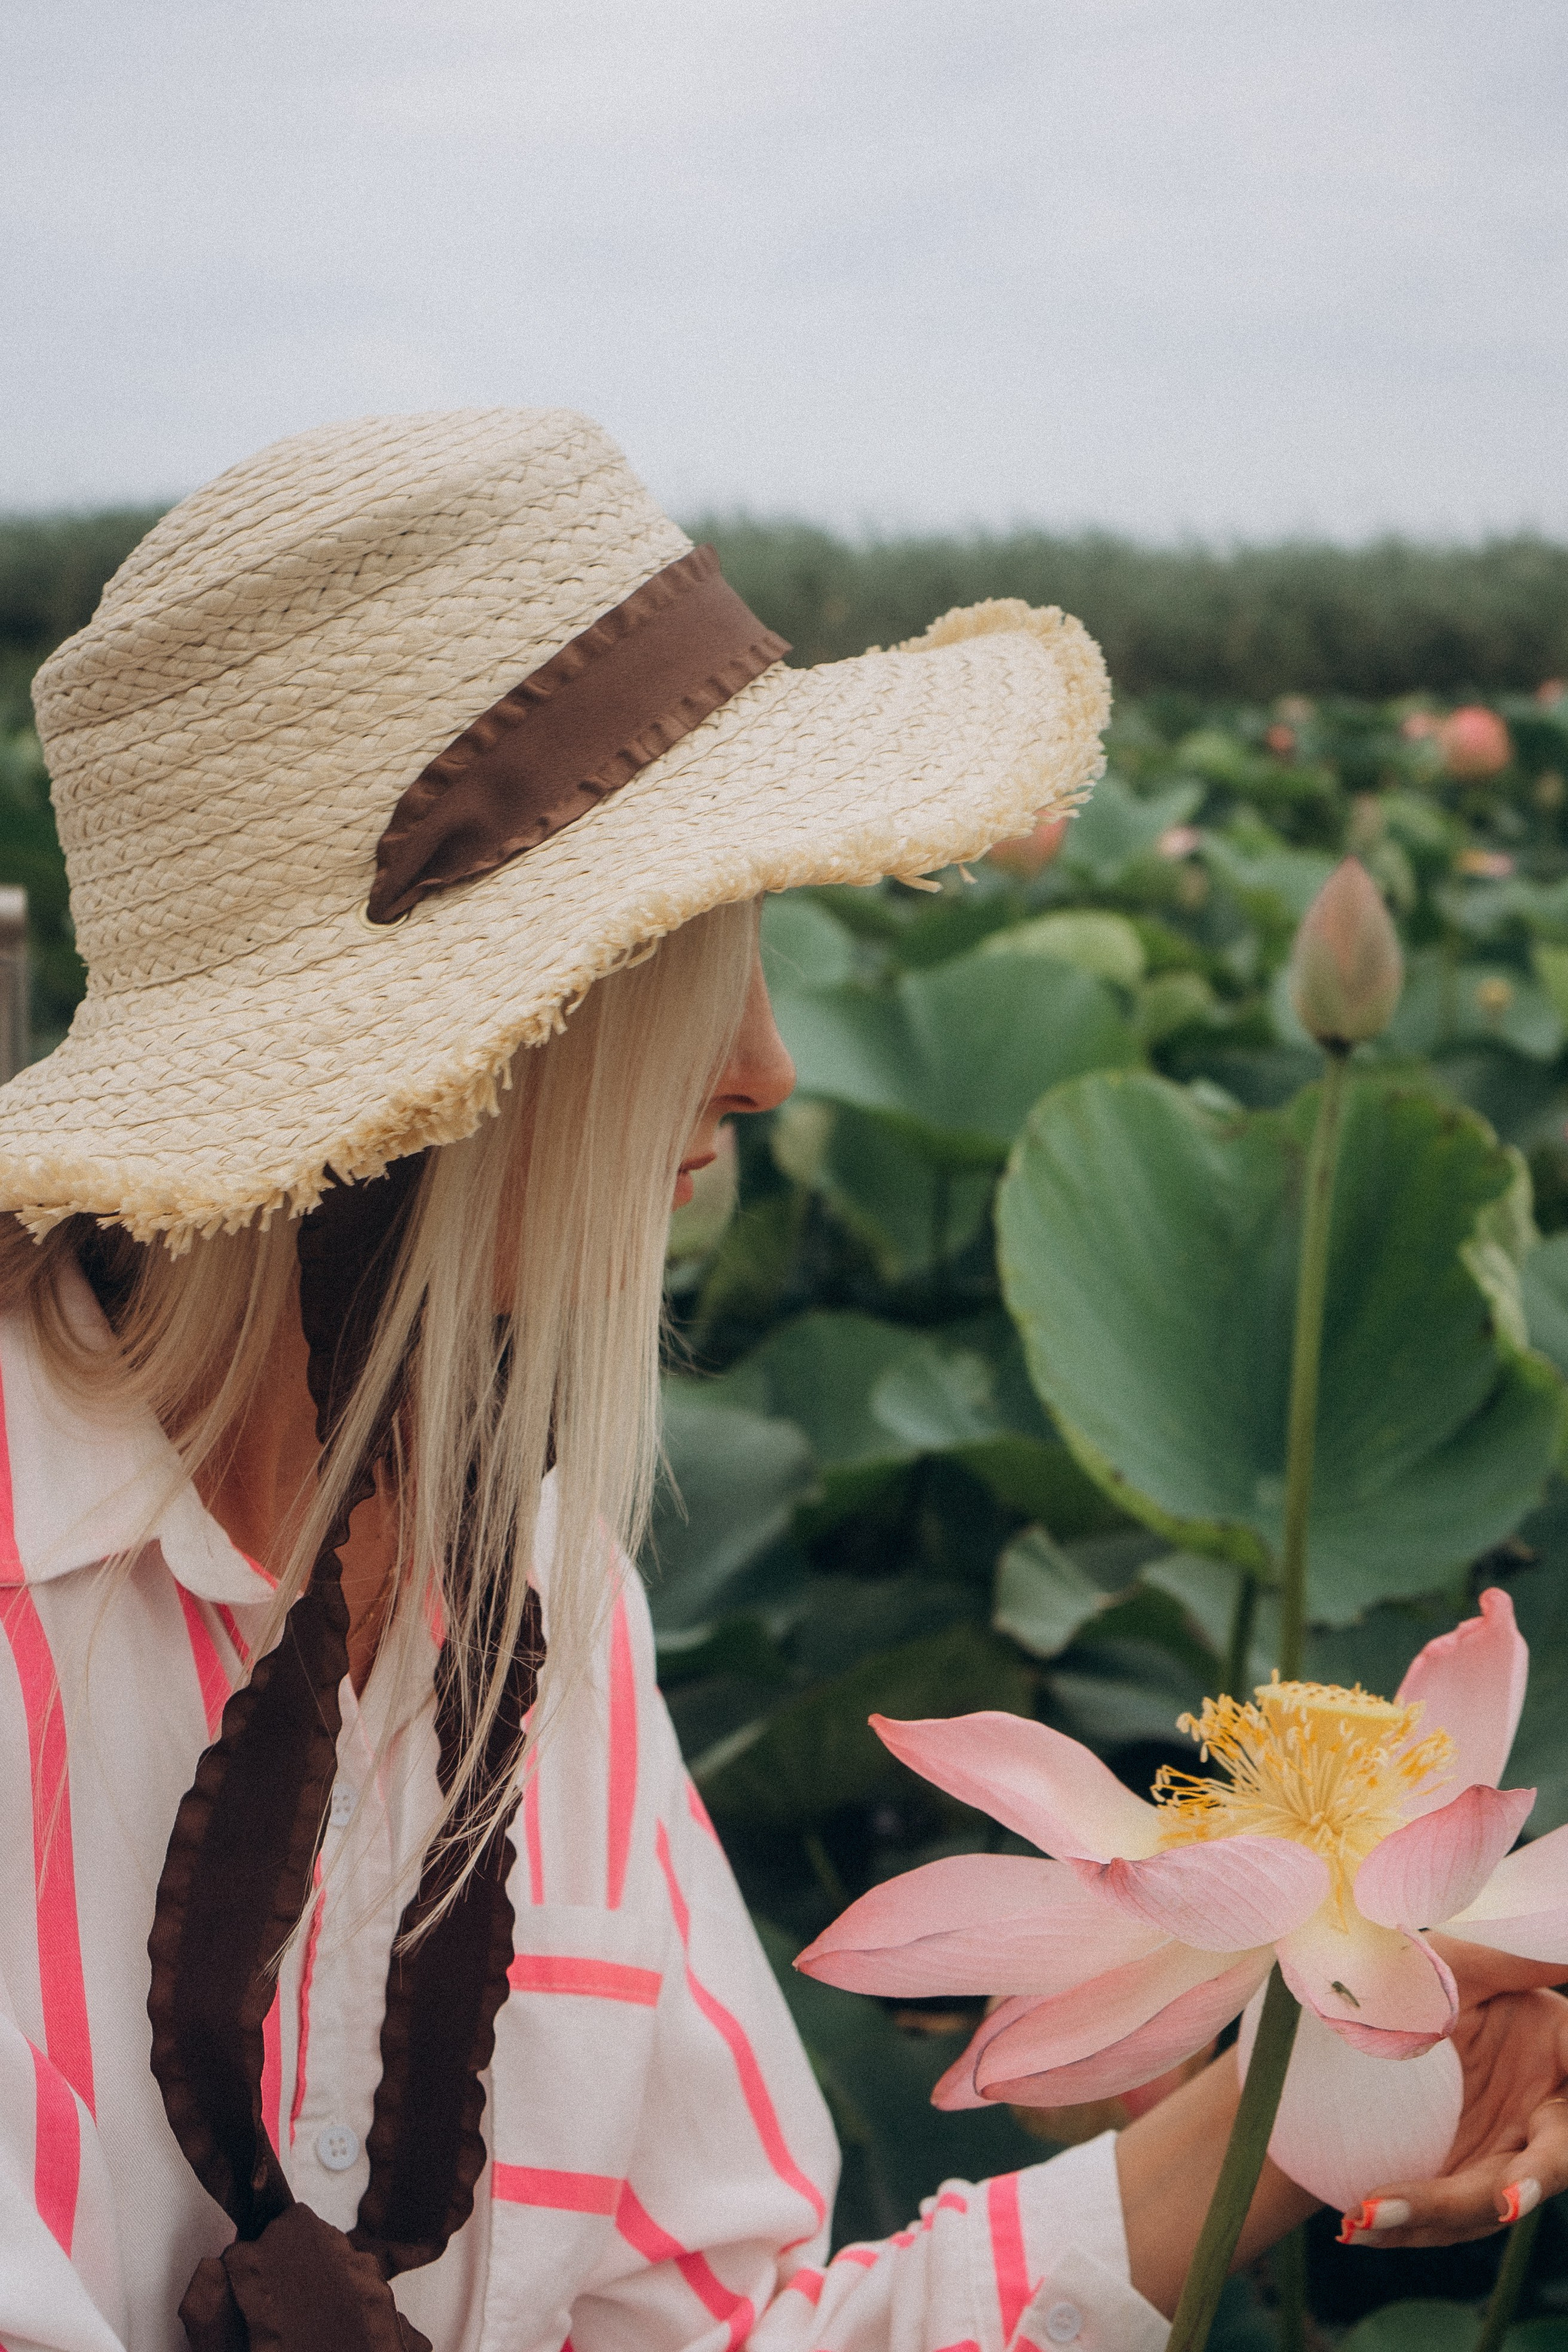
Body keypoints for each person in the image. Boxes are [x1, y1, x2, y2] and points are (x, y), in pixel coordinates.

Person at [0, 409, 1563, 2352]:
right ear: (443, 1064)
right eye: (685, 947)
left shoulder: (546, 1592)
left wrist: (1312, 2101)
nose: (764, 1066)